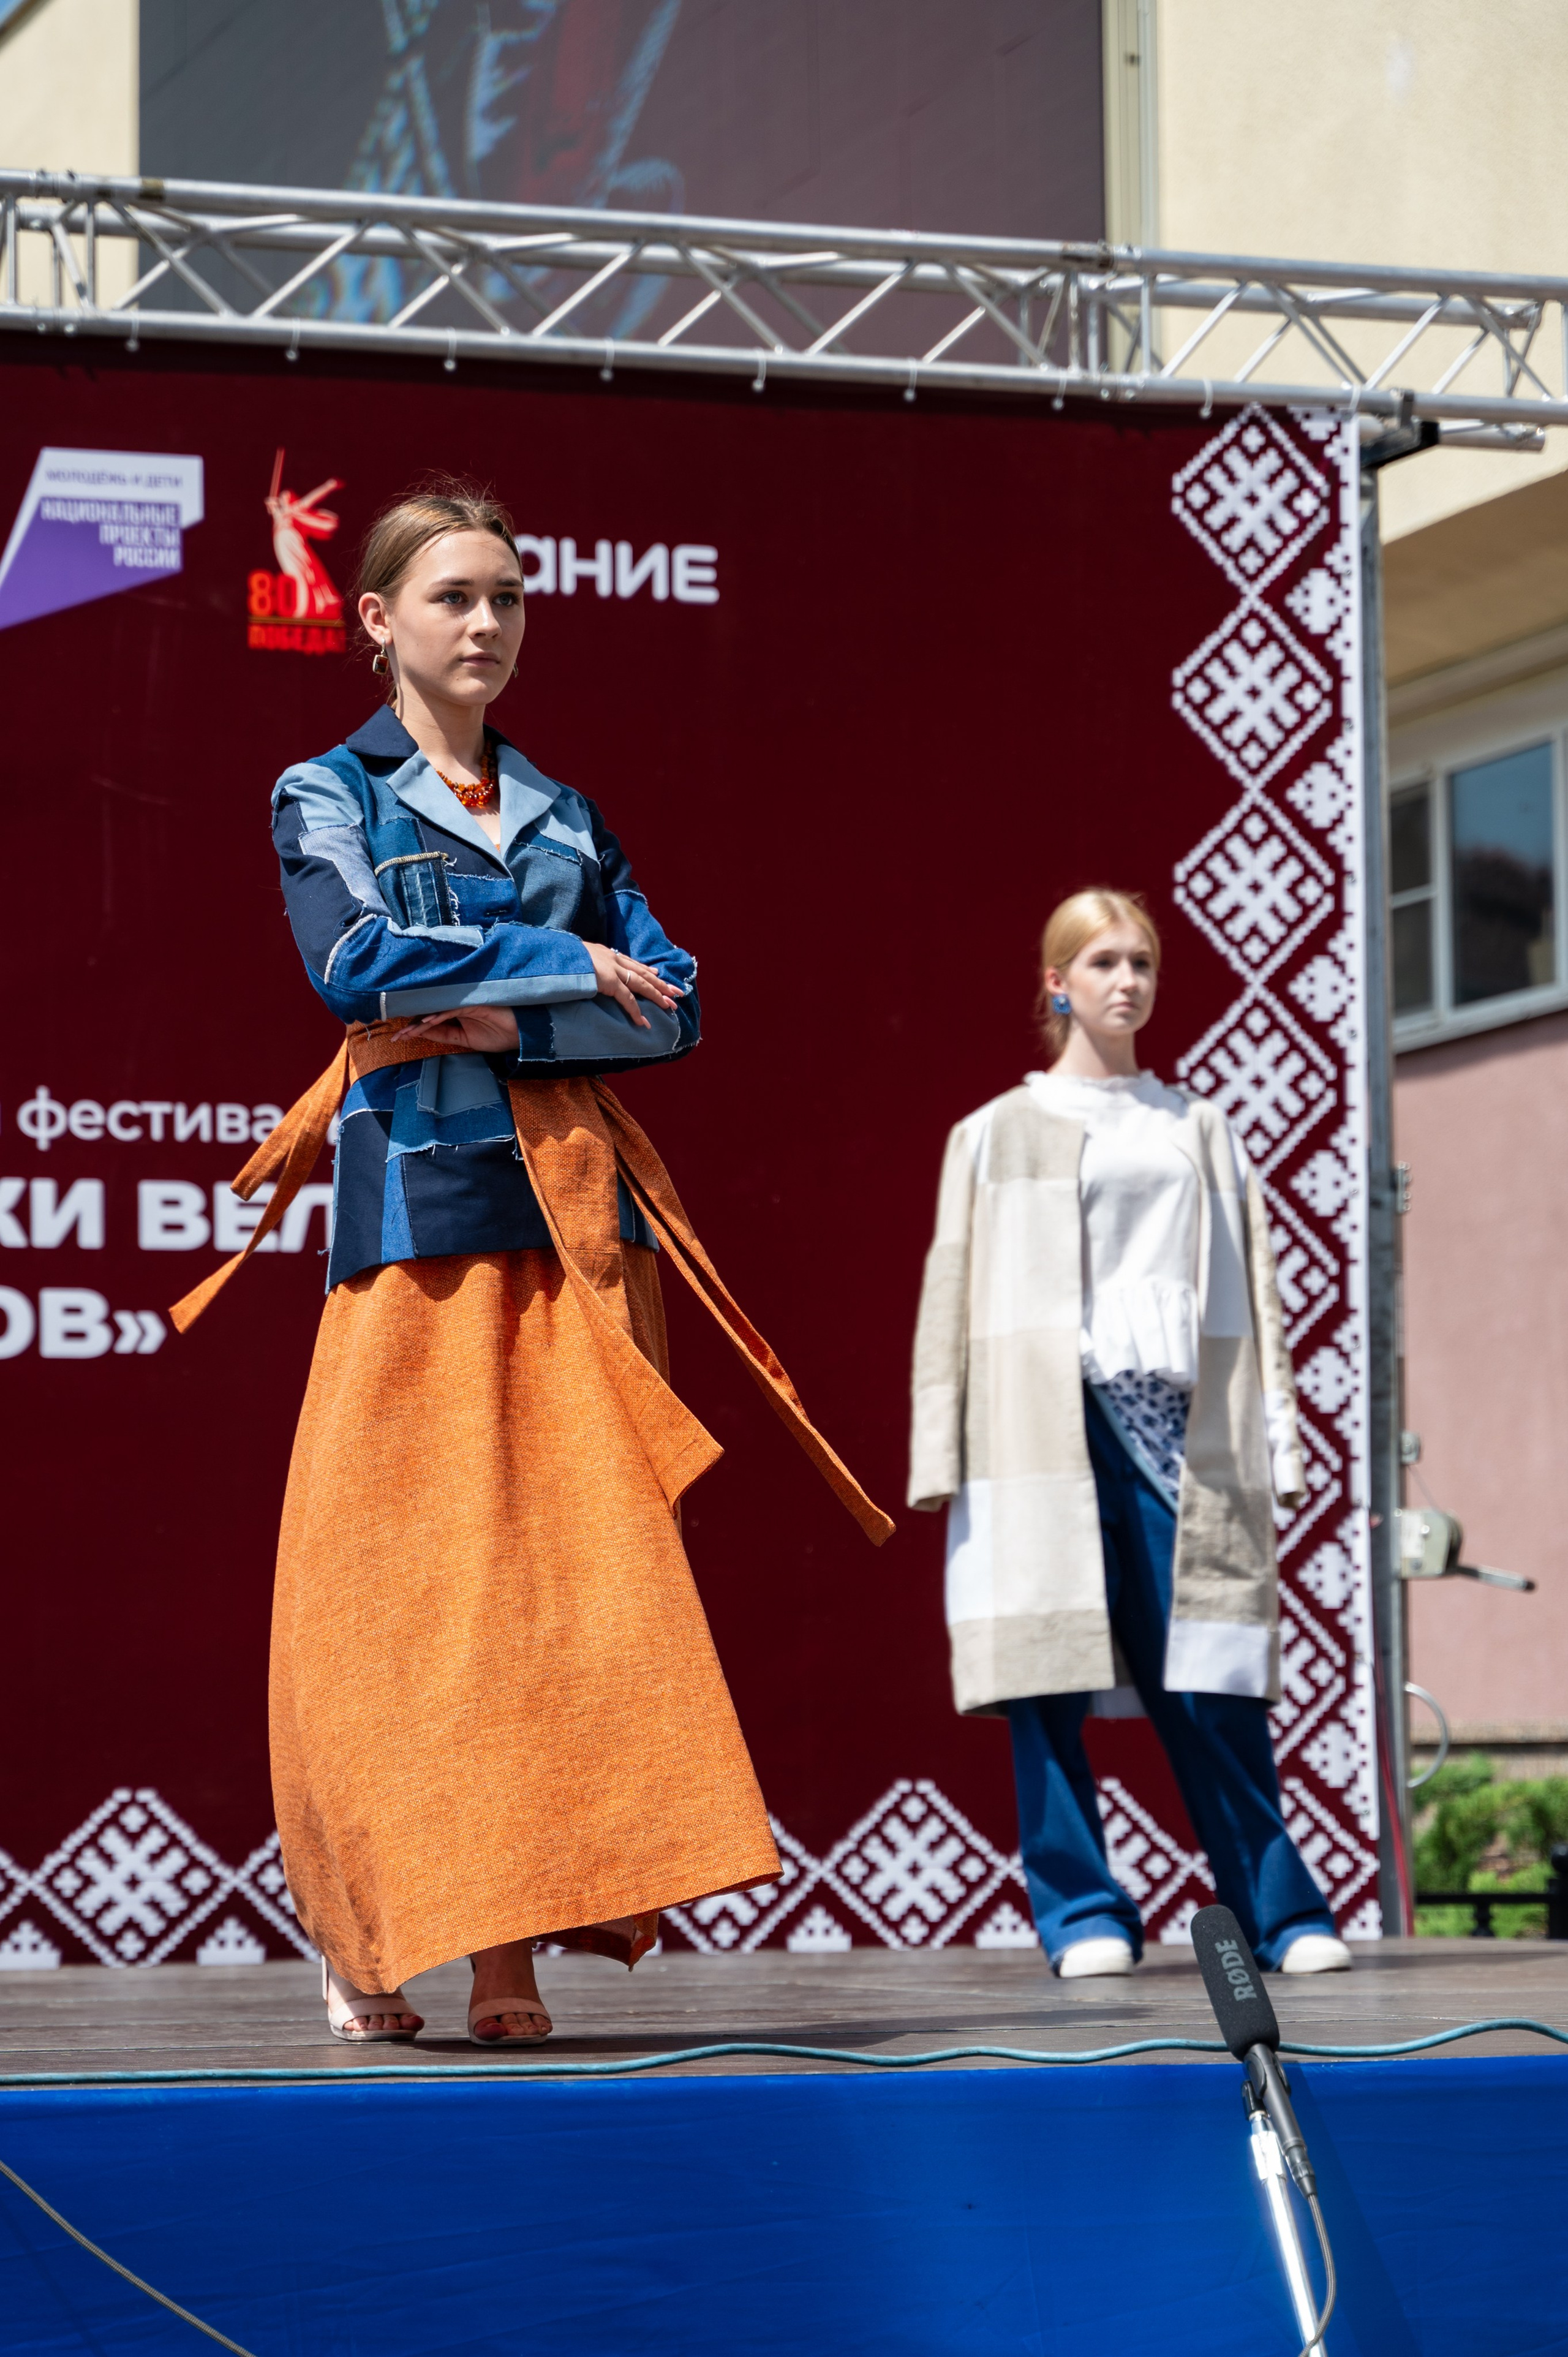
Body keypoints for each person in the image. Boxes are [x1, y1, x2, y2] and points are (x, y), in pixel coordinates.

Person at [173, 482, 889, 2045]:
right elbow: (355, 966)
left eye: (506, 595)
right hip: (416, 1236)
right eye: (453, 598)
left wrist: (500, 1016)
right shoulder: (326, 794)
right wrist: (564, 971)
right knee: (388, 1605)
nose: (487, 622)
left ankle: (508, 1958)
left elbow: (681, 1005)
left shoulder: (566, 813)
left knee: (567, 1606)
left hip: (577, 1241)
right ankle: (370, 1935)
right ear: (376, 623)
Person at [907, 889, 1351, 1979]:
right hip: (1040, 1425)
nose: (1127, 981)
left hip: (1177, 1425)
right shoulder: (994, 1133)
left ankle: (1279, 1911)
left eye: (1142, 962)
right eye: (1102, 961)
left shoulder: (1196, 1124)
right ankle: (1082, 1912)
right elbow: (951, 1293)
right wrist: (941, 1453)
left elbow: (1255, 1291)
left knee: (1211, 1674)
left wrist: (1277, 1438)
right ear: (1057, 981)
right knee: (1044, 1678)